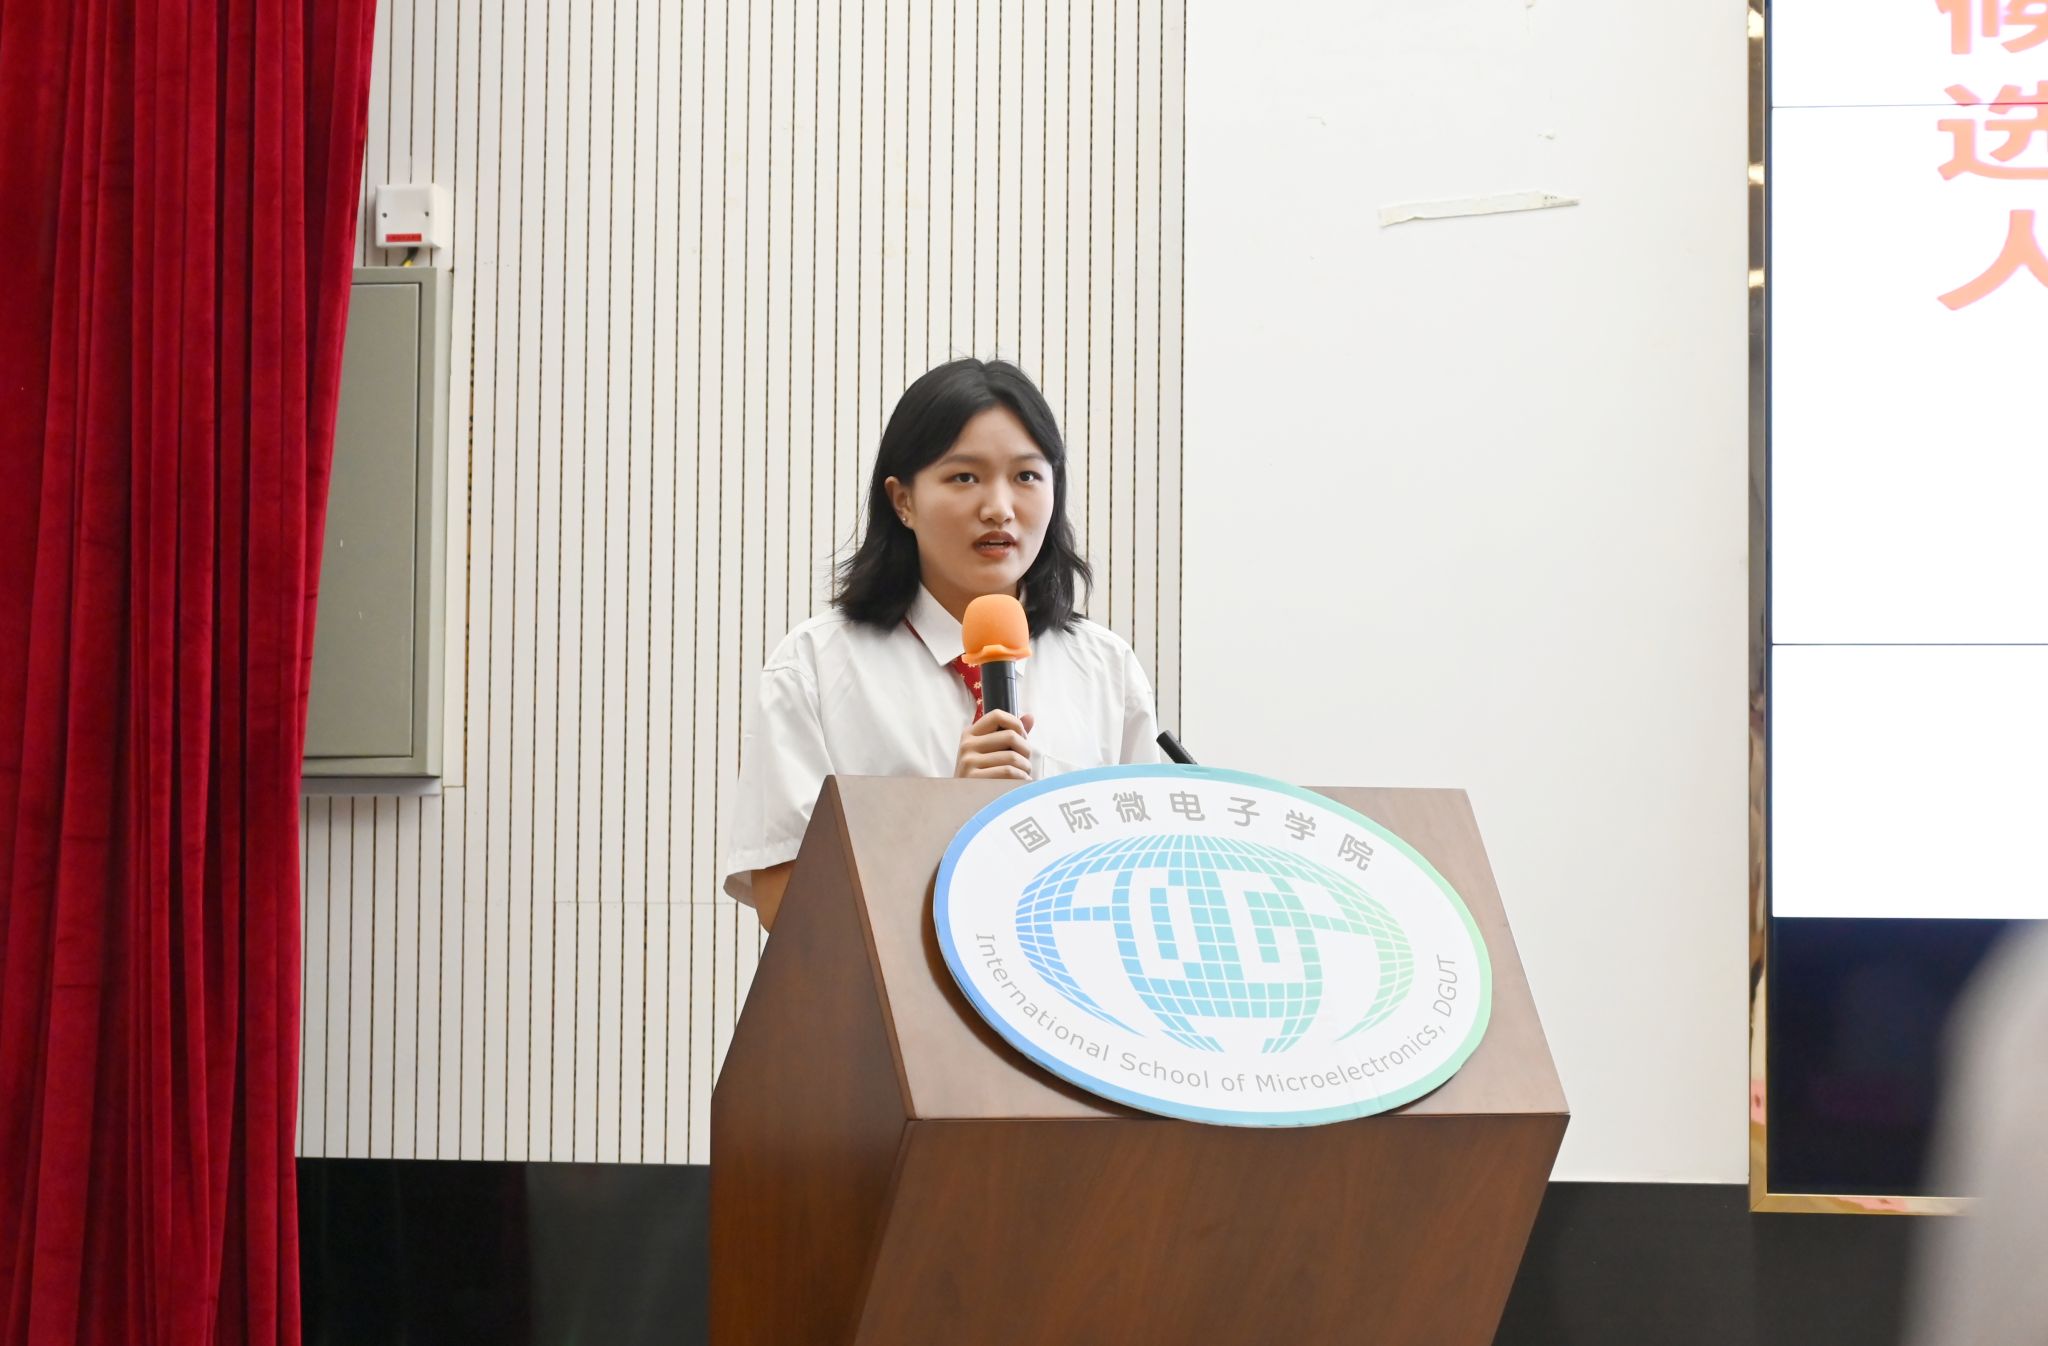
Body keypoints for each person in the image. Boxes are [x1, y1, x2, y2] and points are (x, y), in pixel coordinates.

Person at [721, 358, 1162, 929]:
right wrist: (942, 817)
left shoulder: (1105, 667)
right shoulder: (816, 667)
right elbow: (783, 903)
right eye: (965, 478)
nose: (999, 508)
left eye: (1027, 476)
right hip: (892, 985)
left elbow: (1142, 875)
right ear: (902, 500)